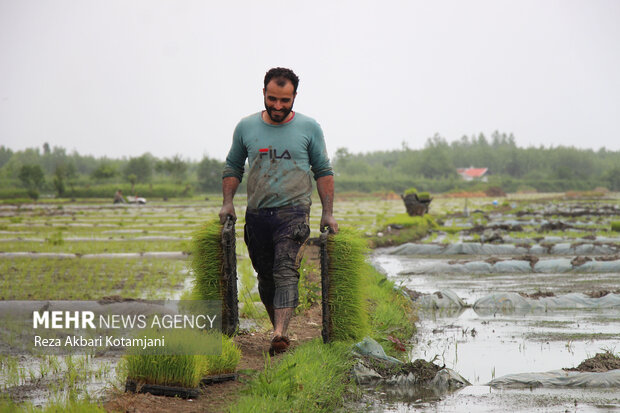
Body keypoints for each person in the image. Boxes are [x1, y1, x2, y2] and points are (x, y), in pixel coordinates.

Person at [219, 67, 338, 355]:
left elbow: (323, 170)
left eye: (285, 100)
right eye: (272, 99)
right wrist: (227, 202)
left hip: (294, 212)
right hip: (257, 214)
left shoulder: (309, 128)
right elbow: (233, 167)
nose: (277, 106)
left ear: (295, 96)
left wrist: (327, 212)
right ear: (264, 93)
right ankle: (278, 329)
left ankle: (280, 331)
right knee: (265, 276)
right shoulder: (246, 127)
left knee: (286, 270)